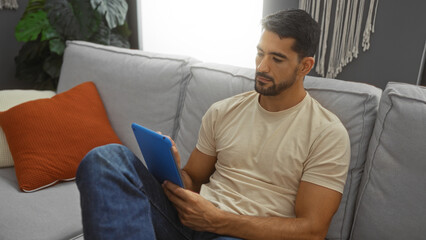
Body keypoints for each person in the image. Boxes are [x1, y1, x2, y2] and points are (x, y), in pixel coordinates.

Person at [76, 9, 350, 240]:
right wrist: (171, 169)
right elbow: (193, 180)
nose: (262, 67)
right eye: (259, 53)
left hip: (241, 234)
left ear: (305, 66)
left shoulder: (326, 134)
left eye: (276, 59)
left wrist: (218, 221)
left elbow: (312, 230)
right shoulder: (224, 111)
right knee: (104, 158)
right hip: (191, 220)